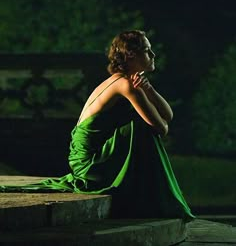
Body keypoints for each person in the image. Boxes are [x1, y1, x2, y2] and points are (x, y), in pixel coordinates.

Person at [1, 30, 194, 219]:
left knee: (138, 124)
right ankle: (152, 195)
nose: (153, 55)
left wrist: (148, 88)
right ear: (130, 55)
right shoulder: (124, 85)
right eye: (147, 50)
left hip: (94, 152)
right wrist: (159, 123)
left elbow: (168, 115)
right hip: (89, 162)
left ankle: (144, 189)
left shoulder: (128, 83)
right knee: (140, 125)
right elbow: (162, 128)